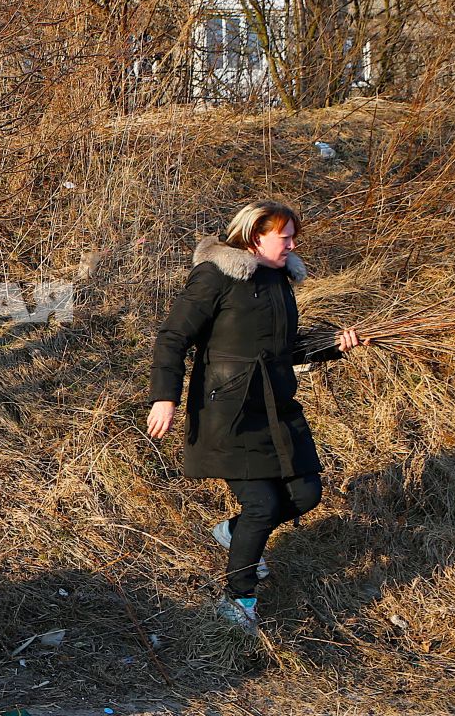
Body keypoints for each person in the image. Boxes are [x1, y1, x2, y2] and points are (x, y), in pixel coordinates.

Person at [146, 201, 363, 633]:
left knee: (305, 496)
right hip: (228, 410)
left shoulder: (280, 280)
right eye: (285, 237)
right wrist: (164, 398)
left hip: (277, 407)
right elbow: (173, 337)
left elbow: (284, 348)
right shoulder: (215, 275)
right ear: (254, 236)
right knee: (262, 505)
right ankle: (238, 600)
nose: (293, 244)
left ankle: (233, 532)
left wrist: (333, 345)